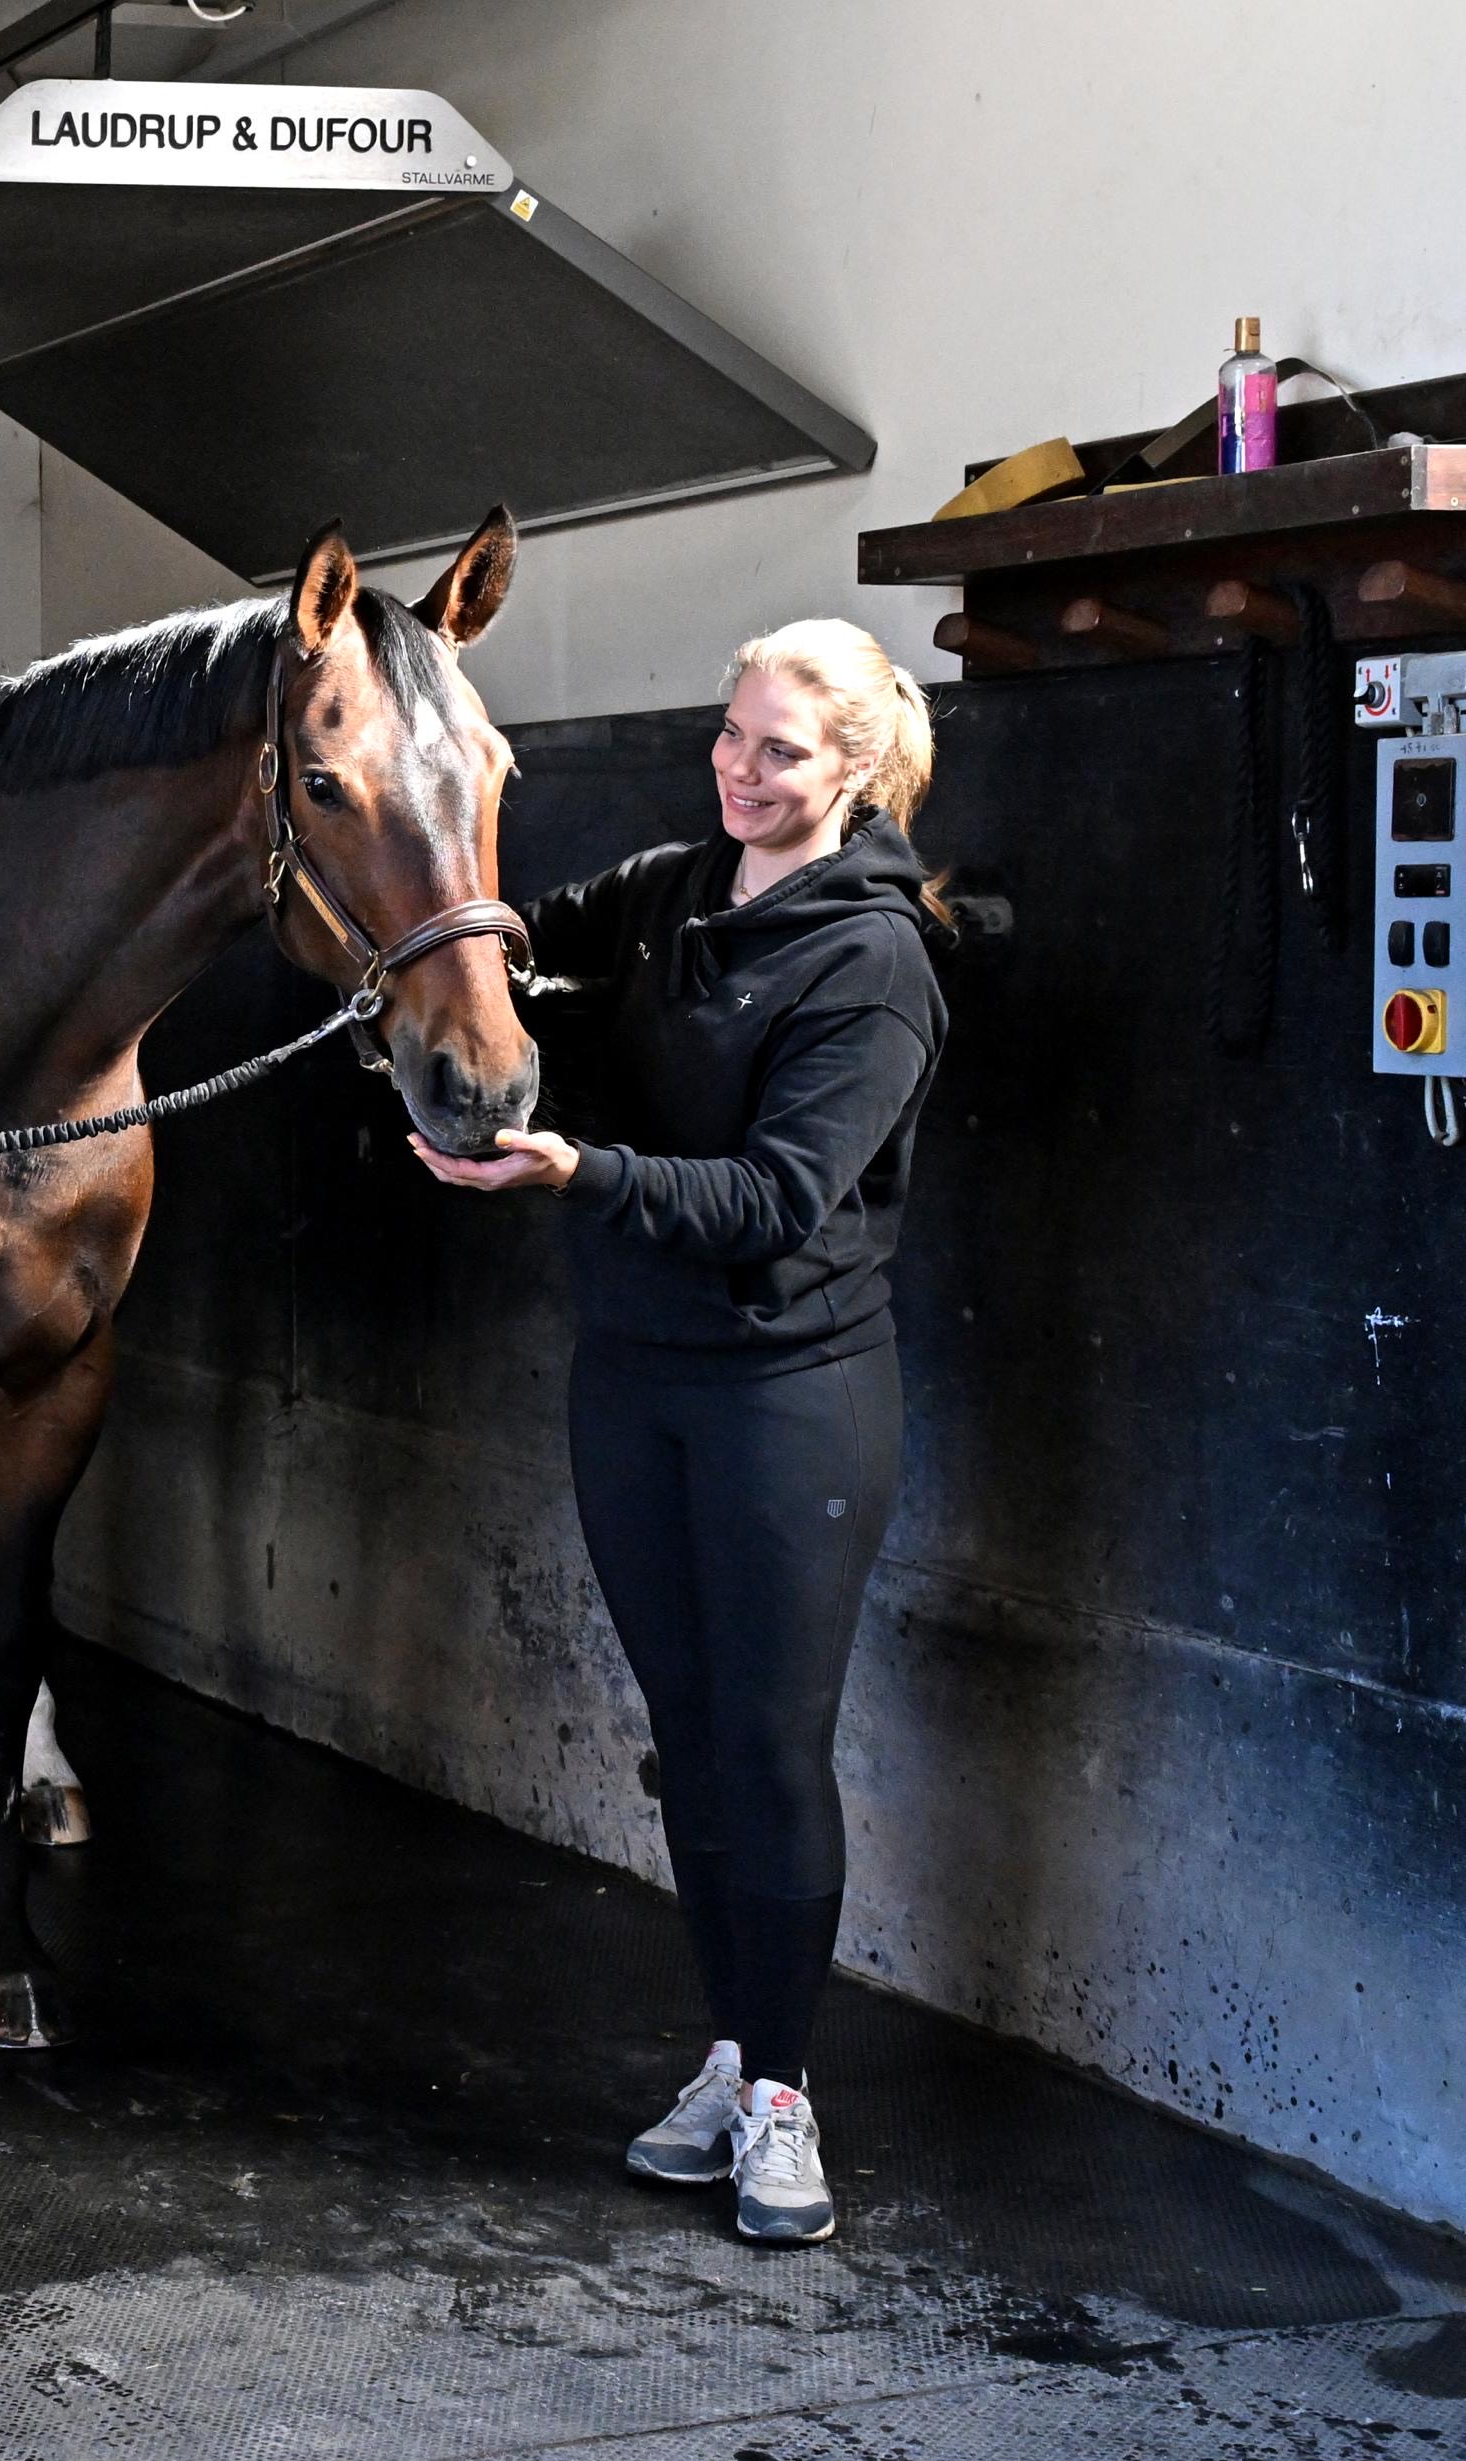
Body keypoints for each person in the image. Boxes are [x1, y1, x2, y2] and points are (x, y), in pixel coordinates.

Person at [408, 620, 948, 2248]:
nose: (739, 766)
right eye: (730, 732)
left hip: (789, 1397)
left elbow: (780, 1198)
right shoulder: (669, 891)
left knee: (771, 1746)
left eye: (779, 749)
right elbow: (509, 944)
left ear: (853, 770)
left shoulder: (877, 961)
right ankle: (729, 2049)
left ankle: (785, 2096)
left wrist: (578, 1172)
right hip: (631, 1381)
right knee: (688, 1737)